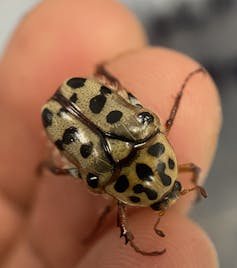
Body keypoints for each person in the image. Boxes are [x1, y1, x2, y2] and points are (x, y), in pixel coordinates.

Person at [0, 1, 221, 267]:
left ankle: (102, 74)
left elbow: (124, 209)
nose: (174, 191)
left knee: (123, 98)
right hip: (70, 107)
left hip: (68, 108)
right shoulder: (111, 181)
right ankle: (50, 164)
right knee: (76, 172)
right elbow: (190, 169)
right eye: (176, 183)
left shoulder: (146, 130)